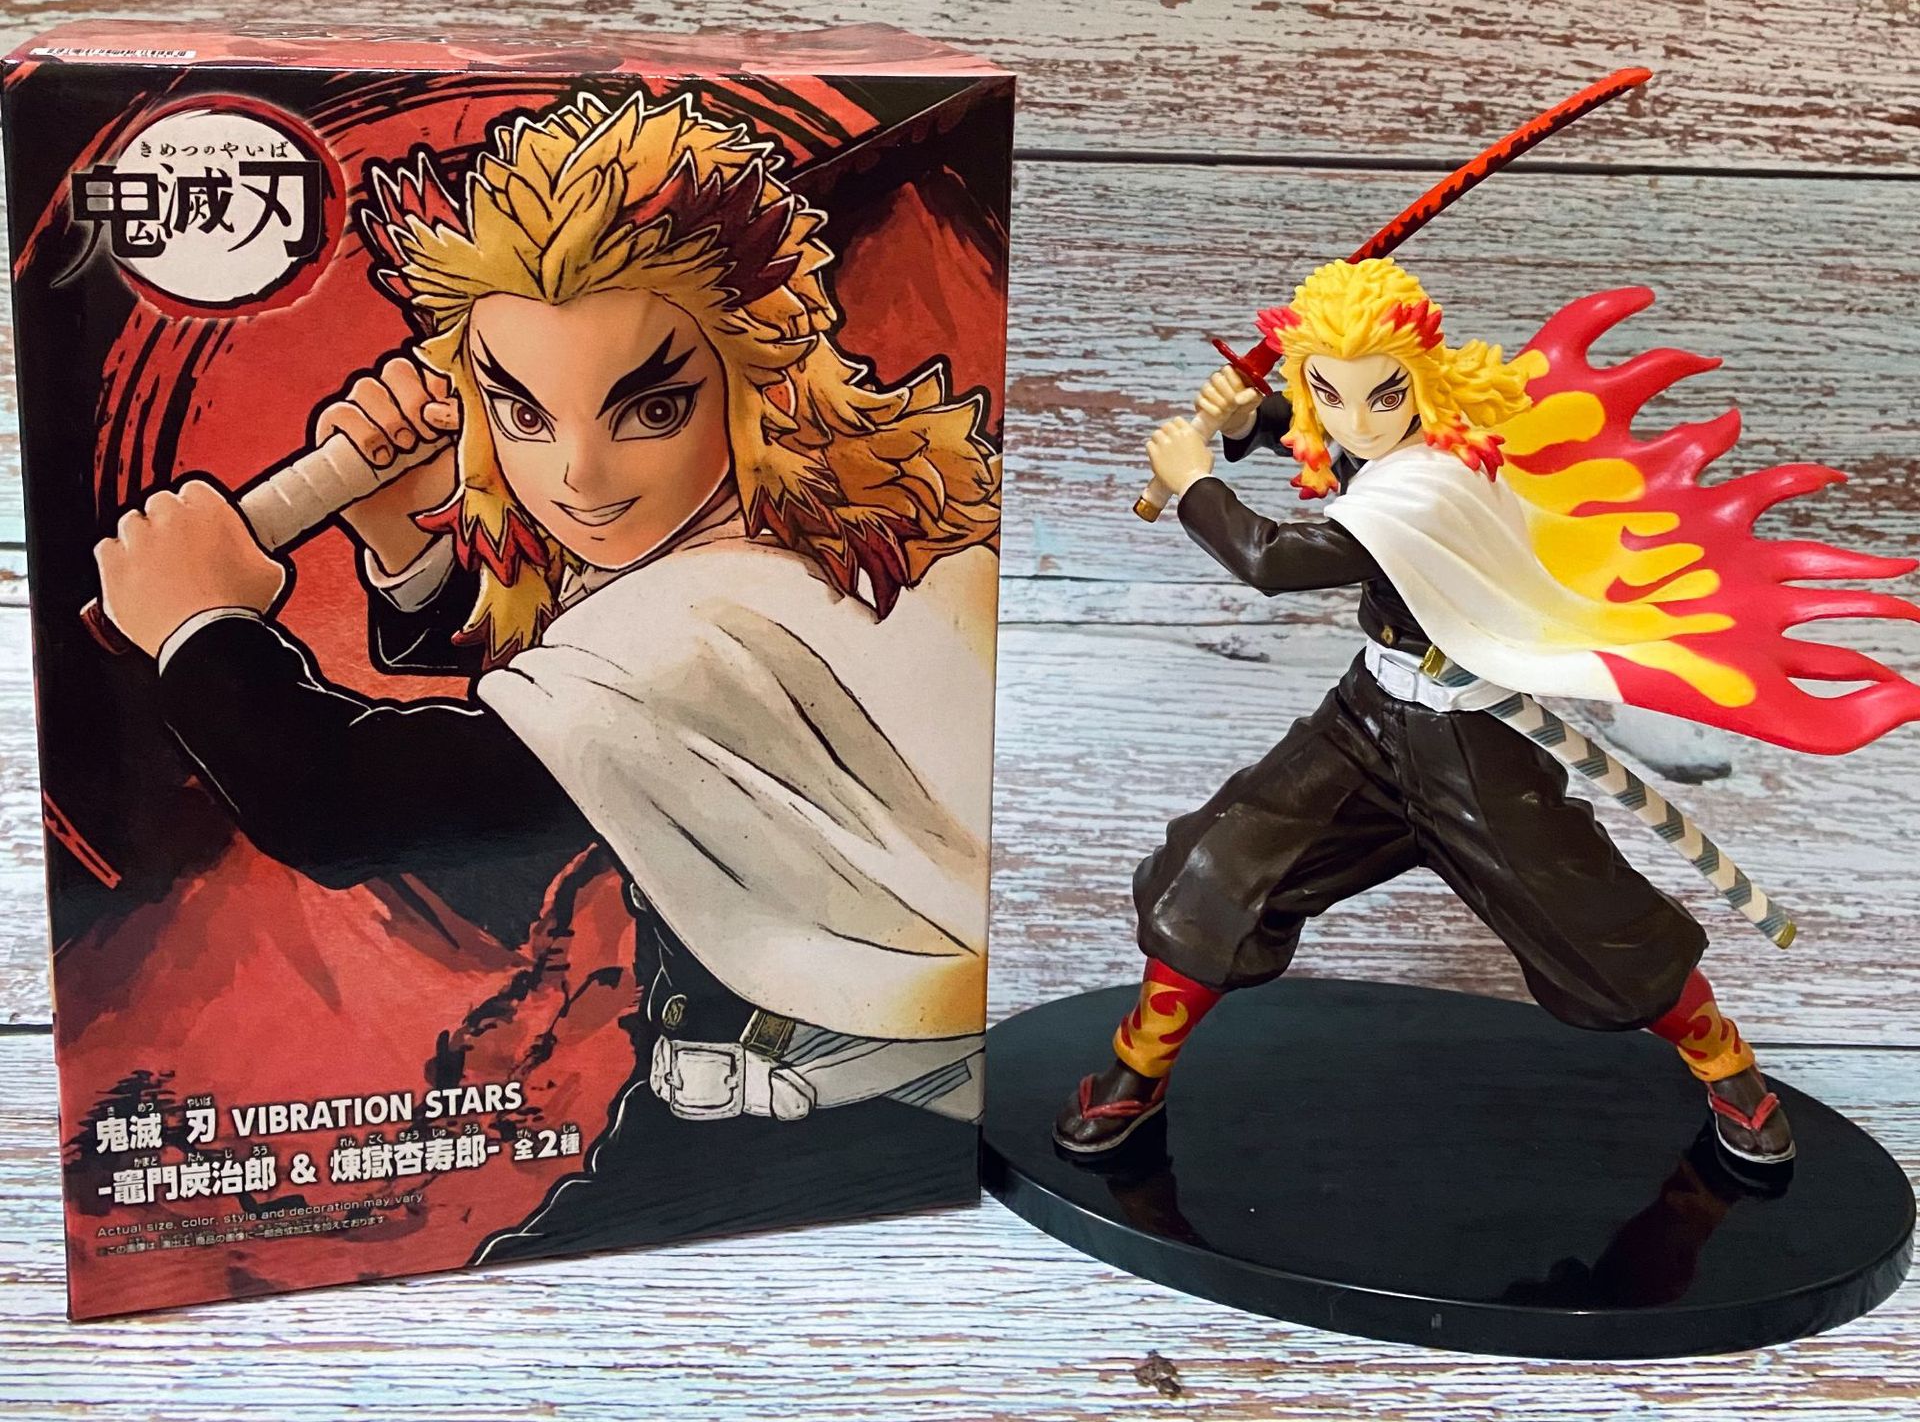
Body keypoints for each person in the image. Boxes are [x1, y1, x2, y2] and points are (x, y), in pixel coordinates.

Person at [94, 86, 1002, 1260]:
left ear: (759, 381)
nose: (578, 477)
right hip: (815, 1104)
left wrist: (201, 624)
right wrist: (407, 528)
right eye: (522, 414)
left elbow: (338, 803)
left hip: (831, 1142)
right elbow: (568, 703)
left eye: (652, 407)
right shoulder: (800, 545)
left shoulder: (697, 620)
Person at [1057, 255, 1920, 1170]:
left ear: (1422, 380)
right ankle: (1137, 1069)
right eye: (1329, 394)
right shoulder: (1394, 449)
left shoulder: (1439, 474)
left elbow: (1276, 560)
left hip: (1468, 743)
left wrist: (1194, 481)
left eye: (1384, 394)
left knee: (1588, 921)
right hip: (1366, 720)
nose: (1358, 420)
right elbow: (1349, 452)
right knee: (1218, 868)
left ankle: (1728, 1068)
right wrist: (1257, 421)